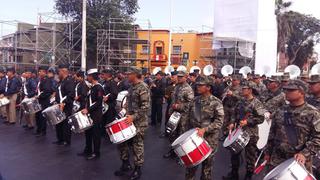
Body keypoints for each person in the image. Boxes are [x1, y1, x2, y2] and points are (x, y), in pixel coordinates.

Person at [266, 79, 320, 174]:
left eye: (291, 90)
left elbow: (318, 137)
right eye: (286, 89)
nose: (286, 92)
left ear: (302, 92)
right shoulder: (280, 110)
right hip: (277, 159)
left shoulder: (313, 113)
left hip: (298, 160)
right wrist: (268, 152)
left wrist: (304, 154)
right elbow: (272, 133)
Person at [223, 81, 266, 180]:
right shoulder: (241, 101)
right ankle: (234, 175)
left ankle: (248, 176)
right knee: (234, 154)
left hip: (251, 133)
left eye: (244, 89)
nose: (242, 90)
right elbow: (234, 113)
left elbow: (261, 118)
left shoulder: (257, 103)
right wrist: (232, 123)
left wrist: (248, 122)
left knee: (250, 156)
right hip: (238, 131)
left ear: (250, 90)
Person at [114, 67, 150, 180]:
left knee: (137, 146)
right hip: (129, 120)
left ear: (135, 74)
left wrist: (133, 116)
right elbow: (129, 103)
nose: (126, 75)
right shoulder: (131, 87)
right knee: (122, 142)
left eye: (129, 74)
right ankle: (125, 164)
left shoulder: (143, 87)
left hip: (139, 122)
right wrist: (123, 111)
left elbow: (146, 107)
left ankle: (137, 170)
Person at [186, 76, 224, 180]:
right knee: (191, 167)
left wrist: (205, 129)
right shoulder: (194, 101)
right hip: (194, 138)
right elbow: (188, 118)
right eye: (197, 85)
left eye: (200, 85)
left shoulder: (216, 102)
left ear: (208, 87)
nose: (197, 87)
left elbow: (219, 121)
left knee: (206, 169)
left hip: (209, 140)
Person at [164, 71, 194, 158]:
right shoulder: (176, 87)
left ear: (186, 77)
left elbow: (191, 104)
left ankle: (181, 155)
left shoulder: (188, 89)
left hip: (183, 116)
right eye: (179, 77)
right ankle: (173, 151)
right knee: (172, 133)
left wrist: (179, 106)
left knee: (181, 135)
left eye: (181, 77)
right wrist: (170, 111)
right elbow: (172, 101)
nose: (179, 78)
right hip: (174, 114)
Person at [80, 69, 104, 160]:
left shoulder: (98, 87)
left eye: (88, 76)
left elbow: (98, 102)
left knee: (96, 134)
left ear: (92, 76)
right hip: (91, 113)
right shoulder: (92, 87)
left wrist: (88, 109)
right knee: (88, 133)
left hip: (96, 115)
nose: (87, 78)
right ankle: (88, 149)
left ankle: (96, 153)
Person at [54, 64, 75, 146]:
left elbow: (71, 94)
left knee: (66, 124)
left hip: (66, 106)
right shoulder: (61, 81)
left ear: (63, 71)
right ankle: (60, 139)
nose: (58, 73)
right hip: (59, 105)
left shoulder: (69, 81)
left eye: (59, 71)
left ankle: (66, 140)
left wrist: (64, 102)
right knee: (59, 122)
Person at [35, 66, 54, 136]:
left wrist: (39, 96)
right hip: (39, 100)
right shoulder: (41, 79)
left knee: (42, 116)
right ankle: (38, 130)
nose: (39, 73)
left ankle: (43, 131)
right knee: (37, 115)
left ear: (44, 72)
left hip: (44, 101)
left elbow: (47, 91)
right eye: (39, 71)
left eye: (40, 71)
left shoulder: (47, 80)